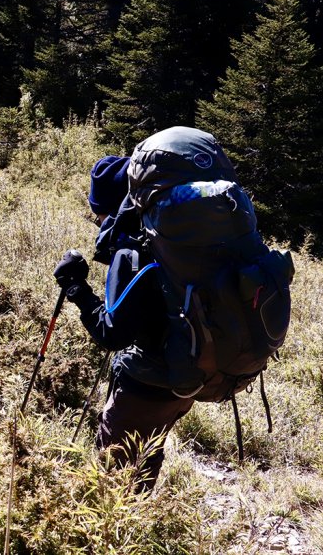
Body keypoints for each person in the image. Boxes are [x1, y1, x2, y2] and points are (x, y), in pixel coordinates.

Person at [52, 155, 194, 492]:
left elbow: (112, 334)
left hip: (146, 382)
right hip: (189, 374)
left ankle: (110, 534)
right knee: (149, 450)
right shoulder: (170, 238)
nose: (96, 220)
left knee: (109, 474)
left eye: (96, 211)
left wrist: (77, 289)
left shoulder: (131, 251)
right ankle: (139, 521)